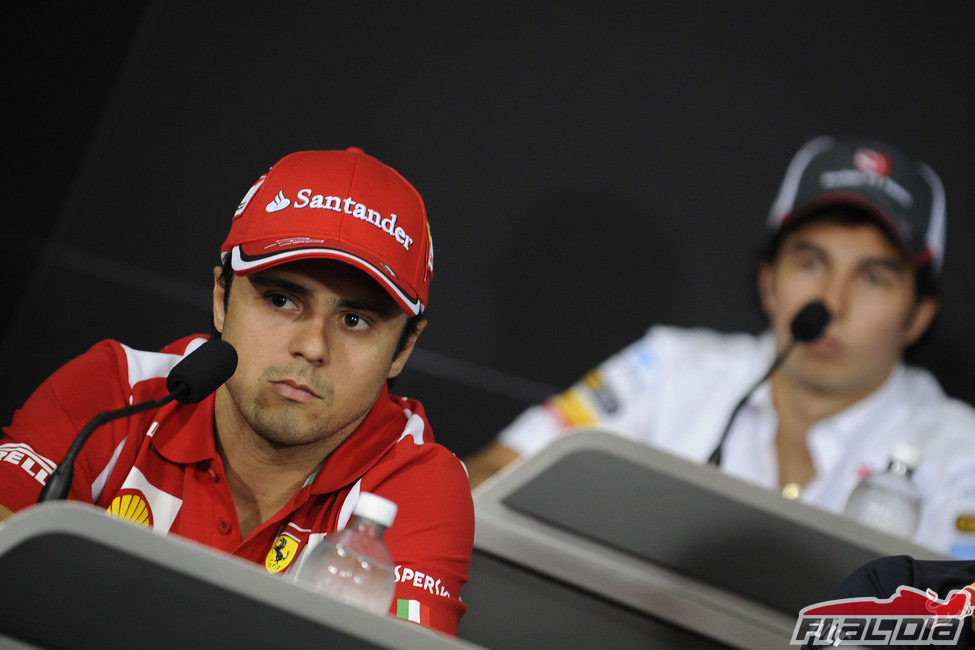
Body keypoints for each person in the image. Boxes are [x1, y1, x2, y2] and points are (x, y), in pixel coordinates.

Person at [0, 148, 474, 635]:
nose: (312, 346)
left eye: (354, 321)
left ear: (402, 348)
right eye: (281, 299)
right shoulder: (115, 392)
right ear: (223, 299)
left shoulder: (418, 486)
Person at [465, 135, 975, 558]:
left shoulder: (961, 452)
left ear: (917, 315)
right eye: (811, 264)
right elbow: (491, 475)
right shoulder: (669, 367)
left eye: (873, 278)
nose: (832, 302)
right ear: (769, 281)